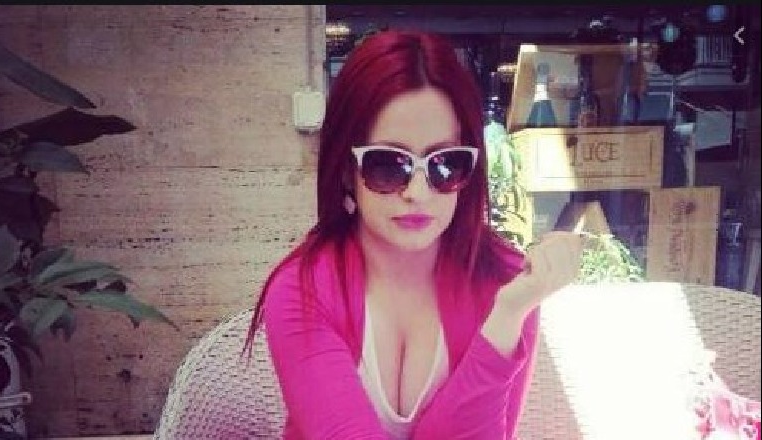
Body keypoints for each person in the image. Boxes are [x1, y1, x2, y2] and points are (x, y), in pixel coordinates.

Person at [243, 29, 584, 440]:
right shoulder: (302, 289)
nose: (417, 193)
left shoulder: (507, 285)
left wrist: (507, 317)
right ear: (346, 171)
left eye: (445, 164)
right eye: (388, 165)